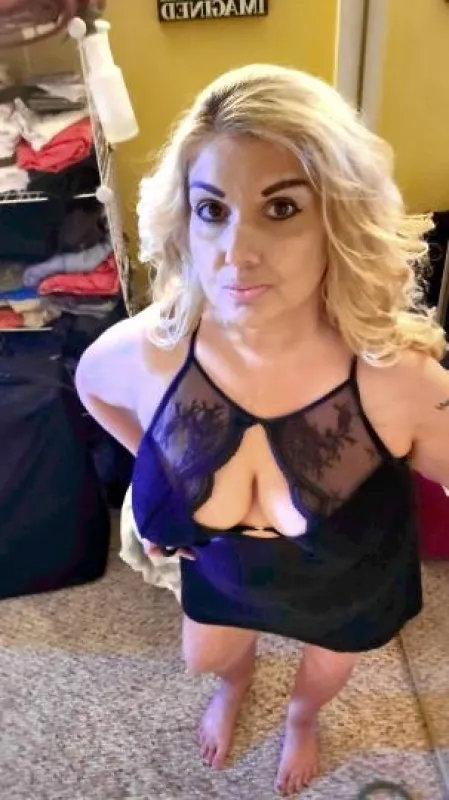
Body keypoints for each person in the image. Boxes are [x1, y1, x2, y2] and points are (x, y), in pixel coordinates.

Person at [75, 64, 449, 796]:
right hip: (222, 574)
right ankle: (235, 688)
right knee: (207, 658)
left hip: (343, 585)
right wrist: (161, 467)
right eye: (211, 209)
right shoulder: (150, 351)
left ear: (337, 216)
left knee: (324, 673)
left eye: (280, 209)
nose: (236, 251)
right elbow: (94, 392)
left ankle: (302, 721)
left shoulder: (395, 380)